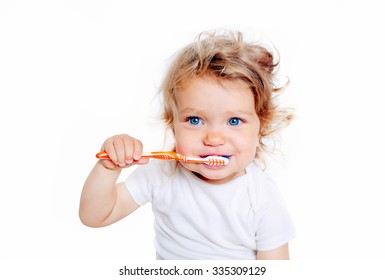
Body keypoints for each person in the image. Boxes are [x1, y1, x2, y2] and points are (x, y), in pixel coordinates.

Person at [79, 29, 295, 260]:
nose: (213, 139)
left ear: (260, 126)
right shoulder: (161, 173)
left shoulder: (261, 195)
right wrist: (108, 167)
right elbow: (95, 216)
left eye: (234, 121)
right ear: (172, 124)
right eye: (195, 120)